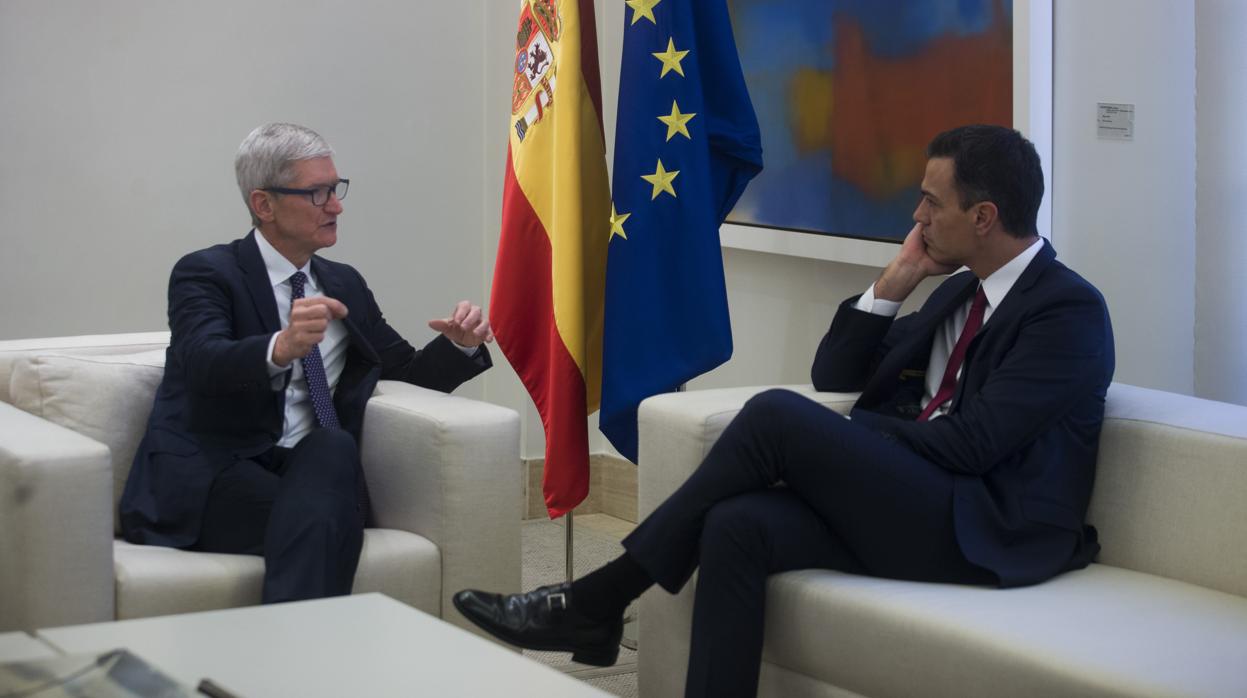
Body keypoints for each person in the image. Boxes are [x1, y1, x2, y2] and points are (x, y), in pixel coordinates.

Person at [453, 125, 1115, 697]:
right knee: (738, 525)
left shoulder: (1064, 311)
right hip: (925, 502)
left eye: (930, 202)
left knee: (776, 417)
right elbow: (835, 373)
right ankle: (605, 616)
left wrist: (849, 437)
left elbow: (973, 445)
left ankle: (597, 599)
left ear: (983, 217)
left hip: (989, 528)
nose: (915, 215)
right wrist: (891, 287)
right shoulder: (955, 295)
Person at [120, 122, 493, 603]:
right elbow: (202, 362)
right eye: (317, 193)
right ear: (264, 204)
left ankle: (290, 657)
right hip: (218, 476)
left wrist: (459, 345)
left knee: (332, 448)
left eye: (336, 189)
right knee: (326, 519)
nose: (336, 206)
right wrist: (281, 347)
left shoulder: (344, 284)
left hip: (312, 471)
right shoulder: (207, 273)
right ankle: (309, 651)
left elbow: (405, 374)